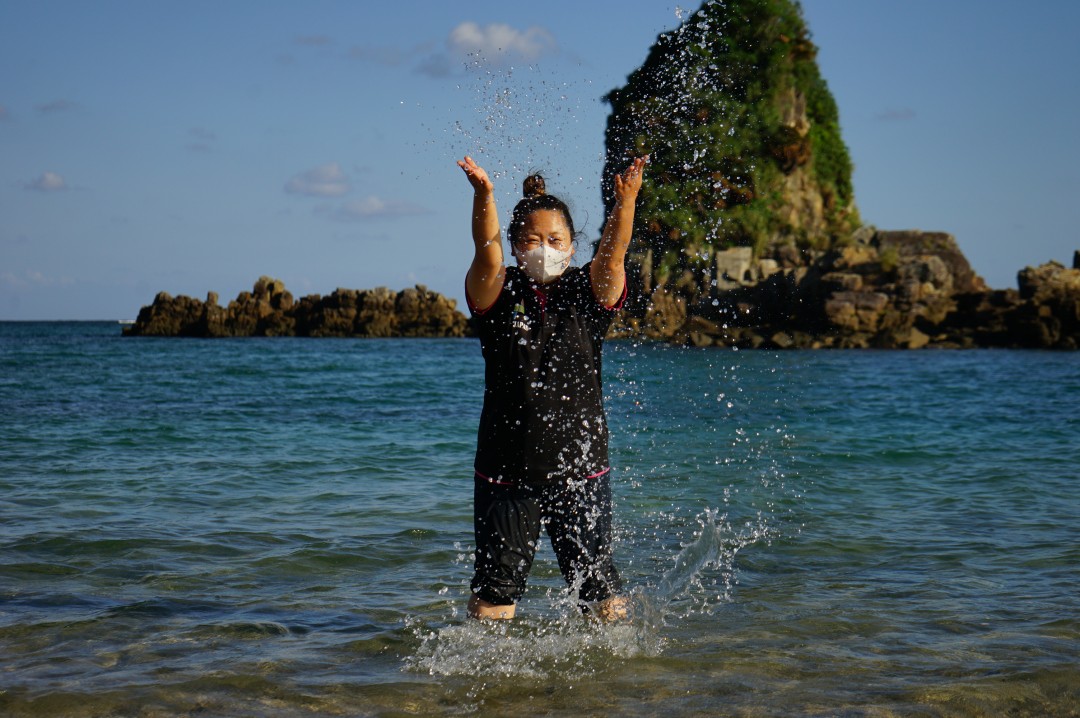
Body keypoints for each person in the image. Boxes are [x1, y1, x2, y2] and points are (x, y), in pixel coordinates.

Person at [457, 153, 646, 621]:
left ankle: (622, 687)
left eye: (556, 239)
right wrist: (485, 196)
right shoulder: (499, 294)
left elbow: (616, 254)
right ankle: (489, 688)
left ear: (572, 245)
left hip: (580, 470)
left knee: (603, 601)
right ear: (518, 247)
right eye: (534, 239)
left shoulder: (589, 292)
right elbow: (486, 248)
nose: (545, 247)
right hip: (506, 471)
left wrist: (626, 203)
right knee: (494, 601)